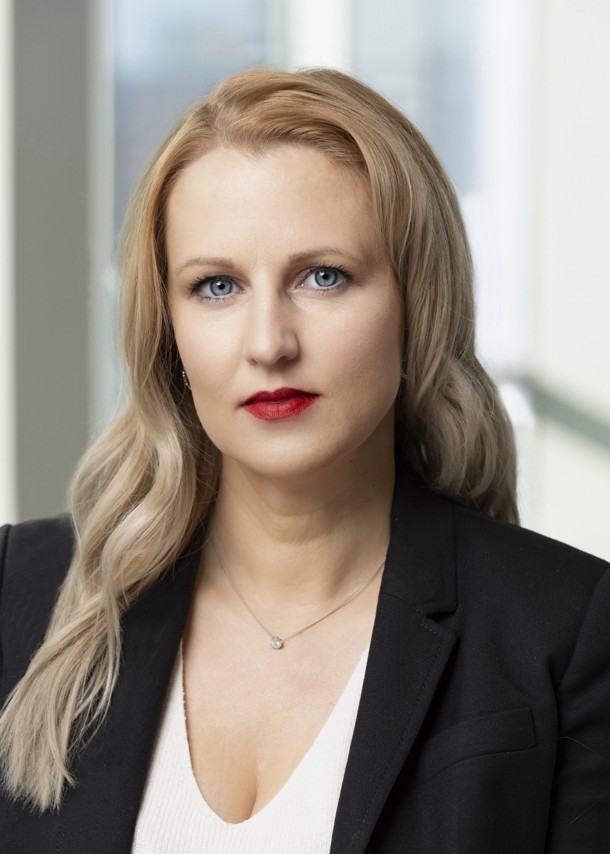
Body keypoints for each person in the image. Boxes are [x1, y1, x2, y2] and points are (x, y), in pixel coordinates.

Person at [0, 67, 609, 854]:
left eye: (323, 277)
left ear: (417, 301)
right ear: (168, 329)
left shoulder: (567, 631)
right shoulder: (17, 592)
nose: (269, 343)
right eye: (216, 286)